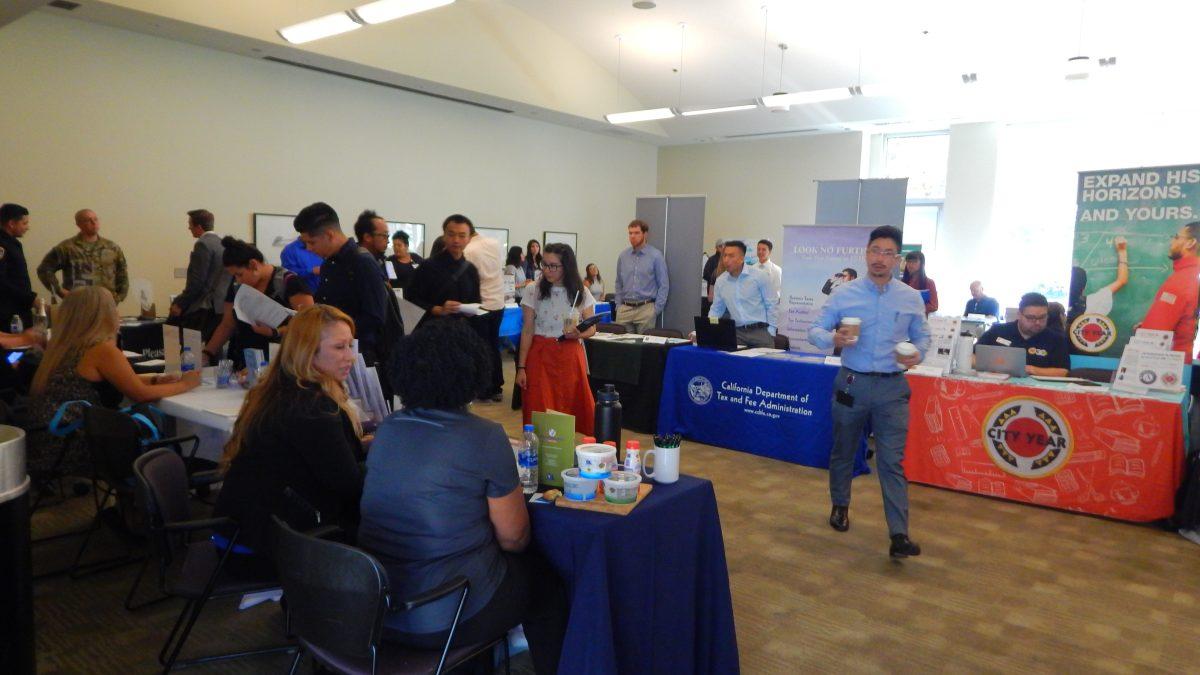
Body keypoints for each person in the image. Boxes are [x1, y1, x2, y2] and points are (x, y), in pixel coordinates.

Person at [359, 319, 566, 674]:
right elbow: (515, 538)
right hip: (444, 614)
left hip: (375, 607)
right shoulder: (484, 436)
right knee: (550, 585)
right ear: (472, 372)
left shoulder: (387, 430)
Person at [213, 305, 365, 580]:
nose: (350, 357)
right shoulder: (312, 408)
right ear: (308, 351)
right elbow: (349, 485)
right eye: (340, 348)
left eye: (350, 346)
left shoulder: (279, 391)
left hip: (238, 533)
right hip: (261, 550)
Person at [808, 225, 928, 559]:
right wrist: (832, 339)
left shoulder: (909, 297)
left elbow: (923, 337)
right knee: (844, 449)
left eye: (888, 253)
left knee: (892, 461)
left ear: (898, 259)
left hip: (892, 387)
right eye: (875, 250)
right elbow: (815, 329)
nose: (880, 258)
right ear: (866, 253)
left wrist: (919, 353)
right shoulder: (845, 293)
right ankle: (840, 505)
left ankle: (899, 534)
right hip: (852, 382)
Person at [26, 287, 200, 480]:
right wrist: (186, 384)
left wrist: (156, 379)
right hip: (79, 445)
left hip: (47, 442)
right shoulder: (101, 350)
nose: (118, 313)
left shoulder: (63, 346)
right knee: (145, 416)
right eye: (113, 308)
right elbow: (139, 394)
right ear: (102, 315)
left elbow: (108, 379)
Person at [293, 202, 397, 371]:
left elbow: (375, 316)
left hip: (359, 358)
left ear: (329, 235)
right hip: (331, 354)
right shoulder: (329, 264)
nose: (309, 249)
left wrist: (335, 331)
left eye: (311, 242)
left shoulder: (362, 263)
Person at [516, 243, 597, 432]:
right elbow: (527, 330)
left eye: (553, 266)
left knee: (568, 404)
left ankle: (568, 452)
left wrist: (580, 333)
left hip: (569, 353)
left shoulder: (580, 291)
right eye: (544, 264)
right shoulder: (533, 290)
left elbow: (592, 327)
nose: (547, 270)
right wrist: (521, 367)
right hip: (540, 352)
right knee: (539, 405)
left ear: (566, 266)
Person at [203, 238, 314, 369]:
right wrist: (208, 352)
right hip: (243, 359)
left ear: (254, 265)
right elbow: (227, 324)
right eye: (235, 276)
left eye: (240, 274)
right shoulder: (237, 286)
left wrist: (275, 332)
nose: (238, 280)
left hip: (281, 361)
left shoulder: (289, 282)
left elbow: (311, 325)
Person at [37, 209, 128, 303]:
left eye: (95, 219)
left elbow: (122, 273)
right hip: (78, 305)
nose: (94, 223)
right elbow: (44, 269)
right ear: (78, 224)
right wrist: (59, 290)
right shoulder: (67, 248)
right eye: (88, 220)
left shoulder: (112, 247)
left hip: (107, 304)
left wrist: (119, 297)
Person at [1139, 222, 1200, 363]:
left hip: (1165, 368)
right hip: (1184, 364)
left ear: (1190, 243)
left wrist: (1146, 331)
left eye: (1177, 237)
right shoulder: (1194, 276)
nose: (1172, 241)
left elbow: (1153, 336)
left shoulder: (1181, 281)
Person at [406, 218, 481, 327]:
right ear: (444, 236)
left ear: (469, 239)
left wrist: (472, 310)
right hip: (432, 330)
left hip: (462, 331)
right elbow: (411, 298)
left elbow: (476, 300)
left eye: (462, 235)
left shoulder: (471, 270)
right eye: (451, 234)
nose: (456, 240)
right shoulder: (427, 266)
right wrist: (437, 309)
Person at [169, 209, 230, 341]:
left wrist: (180, 303)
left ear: (199, 227)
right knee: (213, 345)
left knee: (189, 347)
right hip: (221, 307)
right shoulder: (223, 244)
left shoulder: (202, 244)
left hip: (203, 306)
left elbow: (197, 282)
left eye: (190, 224)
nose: (188, 227)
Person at [463, 217, 507, 401]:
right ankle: (496, 385)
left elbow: (468, 279)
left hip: (480, 305)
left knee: (480, 348)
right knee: (493, 345)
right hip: (498, 302)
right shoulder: (494, 243)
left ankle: (484, 388)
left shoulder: (469, 250)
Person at [976, 292, 1070, 376]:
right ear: (1019, 315)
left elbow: (1063, 371)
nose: (1037, 322)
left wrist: (1032, 370)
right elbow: (971, 357)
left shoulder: (1056, 339)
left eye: (1042, 317)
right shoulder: (998, 331)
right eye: (1031, 317)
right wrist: (994, 365)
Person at [709, 241, 777, 348]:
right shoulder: (721, 281)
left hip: (761, 332)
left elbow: (772, 305)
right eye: (725, 255)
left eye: (731, 256)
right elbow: (716, 310)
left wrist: (771, 331)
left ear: (742, 258)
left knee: (764, 364)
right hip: (737, 334)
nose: (726, 260)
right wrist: (707, 328)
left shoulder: (759, 276)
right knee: (735, 364)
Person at [614, 219, 669, 334]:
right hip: (625, 309)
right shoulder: (623, 256)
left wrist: (655, 309)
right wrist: (618, 306)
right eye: (630, 233)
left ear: (645, 234)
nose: (632, 236)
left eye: (636, 233)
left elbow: (663, 284)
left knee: (644, 348)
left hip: (646, 309)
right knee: (622, 348)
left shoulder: (655, 256)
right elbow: (618, 283)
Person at [1067, 236, 1129, 327]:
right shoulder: (1093, 302)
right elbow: (1122, 280)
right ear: (1083, 288)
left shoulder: (1049, 306)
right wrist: (1122, 252)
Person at [0, 203, 36, 329]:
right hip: (7, 313)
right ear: (11, 223)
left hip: (19, 308)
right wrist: (31, 299)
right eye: (24, 223)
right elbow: (2, 282)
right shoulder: (3, 245)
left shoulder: (12, 244)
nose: (27, 227)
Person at [353, 209, 390, 273]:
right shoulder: (360, 263)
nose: (388, 241)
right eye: (384, 235)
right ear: (367, 237)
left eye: (387, 236)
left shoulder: (380, 259)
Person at [901, 250, 937, 315]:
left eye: (914, 261)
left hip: (920, 321)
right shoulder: (902, 283)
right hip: (904, 320)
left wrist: (913, 307)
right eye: (908, 261)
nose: (910, 264)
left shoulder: (929, 283)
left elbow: (934, 306)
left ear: (921, 263)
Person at [702, 238, 725, 317]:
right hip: (713, 292)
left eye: (724, 246)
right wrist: (715, 279)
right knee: (714, 315)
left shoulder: (727, 260)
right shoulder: (711, 260)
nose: (723, 248)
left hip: (726, 294)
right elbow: (705, 274)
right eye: (720, 246)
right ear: (716, 247)